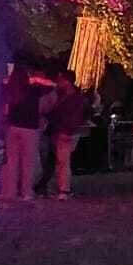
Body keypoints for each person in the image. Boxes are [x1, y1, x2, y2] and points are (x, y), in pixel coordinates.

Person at [0, 63, 51, 202]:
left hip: (13, 127)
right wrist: (36, 79)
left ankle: (10, 192)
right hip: (30, 128)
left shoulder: (10, 89)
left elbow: (3, 87)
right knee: (28, 162)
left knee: (12, 161)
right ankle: (26, 192)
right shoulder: (33, 89)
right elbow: (52, 86)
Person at [44, 71, 93, 200]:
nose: (59, 82)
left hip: (65, 131)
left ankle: (63, 189)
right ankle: (59, 187)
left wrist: (68, 129)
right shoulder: (68, 96)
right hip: (61, 130)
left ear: (67, 82)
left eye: (61, 80)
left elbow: (73, 116)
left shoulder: (73, 98)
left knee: (63, 161)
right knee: (61, 161)